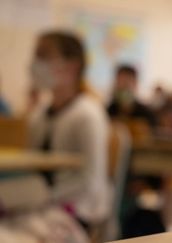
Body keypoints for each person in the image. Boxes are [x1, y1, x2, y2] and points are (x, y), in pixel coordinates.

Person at [28, 31, 112, 228]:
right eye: (35, 56)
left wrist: (44, 198)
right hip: (42, 207)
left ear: (72, 66)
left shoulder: (88, 115)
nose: (35, 63)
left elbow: (92, 182)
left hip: (78, 212)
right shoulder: (39, 116)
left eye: (44, 56)